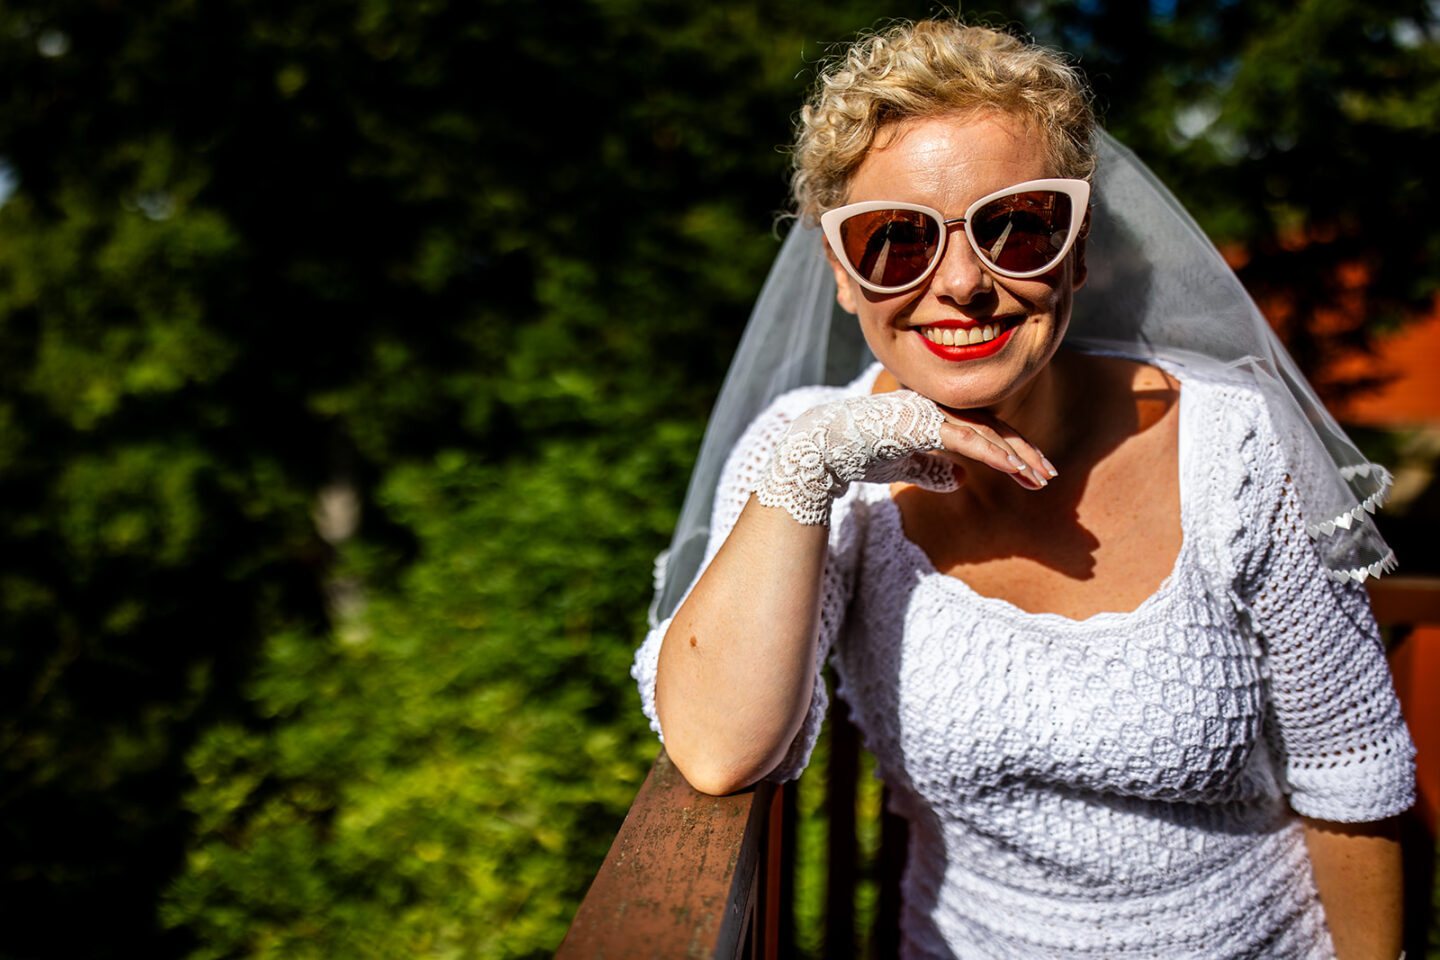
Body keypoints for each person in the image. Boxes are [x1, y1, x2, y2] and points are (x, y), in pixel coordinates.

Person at [632, 19, 1414, 960]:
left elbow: (1352, 773)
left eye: (1017, 225)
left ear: (1077, 249)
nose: (963, 282)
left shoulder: (1234, 447)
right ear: (841, 275)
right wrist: (817, 460)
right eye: (893, 241)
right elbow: (720, 750)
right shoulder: (807, 456)